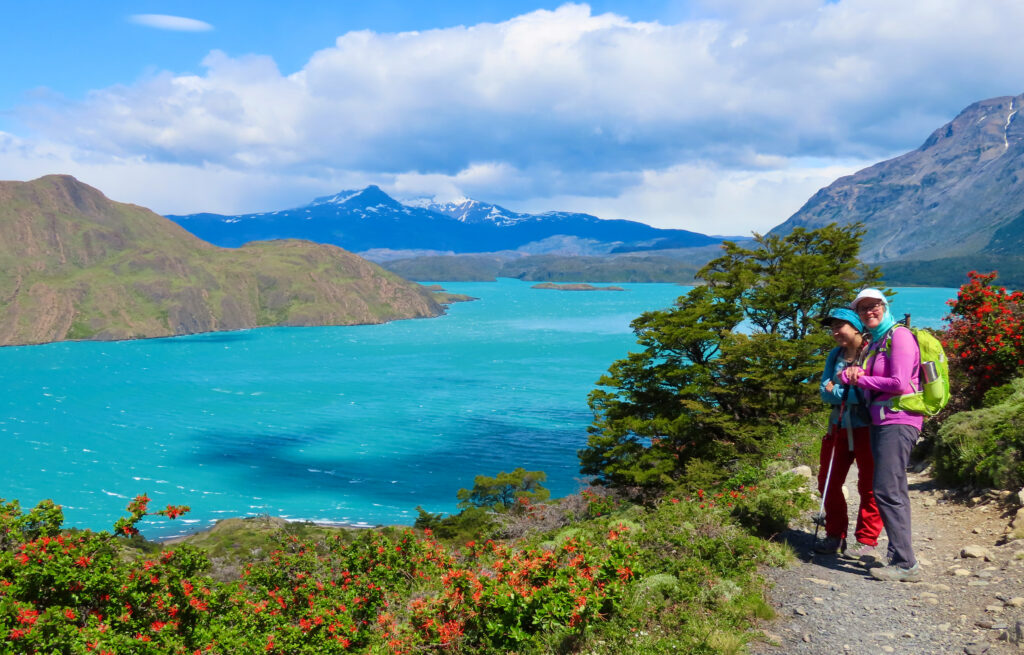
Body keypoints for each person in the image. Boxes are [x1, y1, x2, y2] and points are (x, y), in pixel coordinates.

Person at [841, 288, 923, 582]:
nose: (868, 312)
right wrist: (853, 375)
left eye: (873, 306)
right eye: (863, 309)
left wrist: (861, 377)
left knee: (888, 489)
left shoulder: (898, 336)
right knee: (892, 489)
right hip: (883, 422)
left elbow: (900, 383)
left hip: (898, 420)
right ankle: (900, 558)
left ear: (884, 306)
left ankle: (905, 563)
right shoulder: (877, 341)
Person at [814, 308, 883, 558]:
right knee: (828, 482)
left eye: (839, 326)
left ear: (855, 326)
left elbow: (871, 394)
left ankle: (866, 541)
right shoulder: (835, 355)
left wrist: (837, 391)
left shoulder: (872, 353)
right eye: (831, 328)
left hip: (868, 428)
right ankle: (835, 535)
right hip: (838, 426)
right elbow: (823, 391)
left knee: (870, 485)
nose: (834, 332)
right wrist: (841, 392)